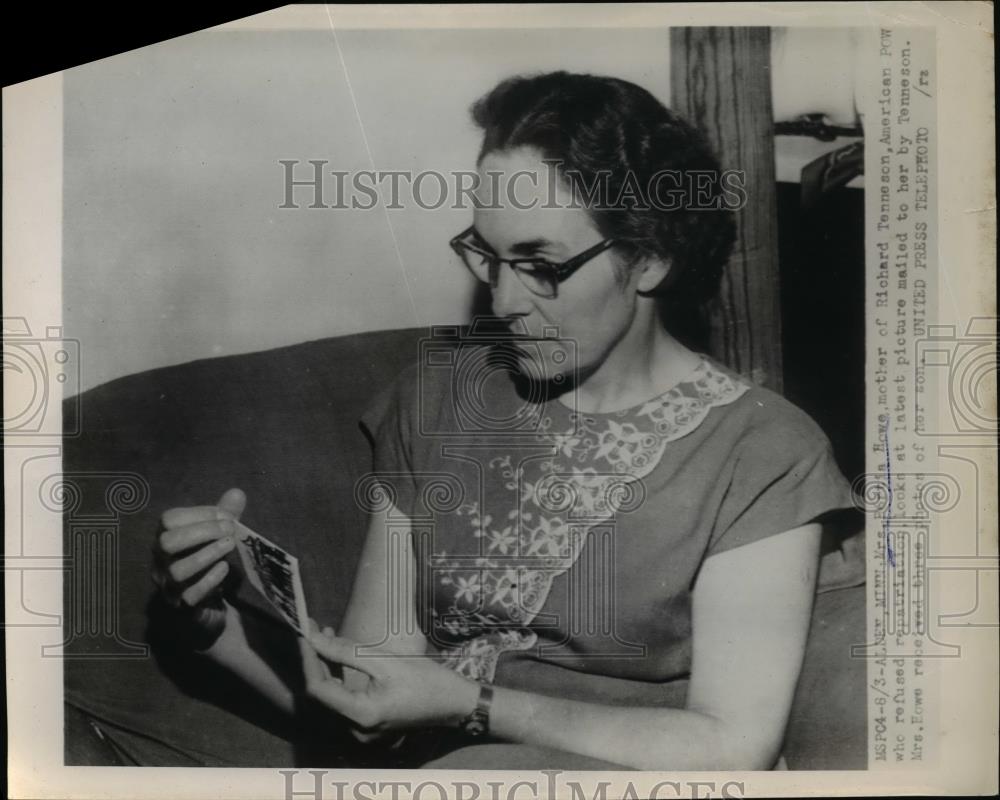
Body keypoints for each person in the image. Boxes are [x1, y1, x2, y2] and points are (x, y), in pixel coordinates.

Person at [152, 71, 856, 771]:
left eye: (540, 264)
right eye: (488, 257)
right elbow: (368, 699)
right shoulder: (438, 398)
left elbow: (733, 746)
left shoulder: (762, 451)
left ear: (648, 258)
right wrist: (215, 635)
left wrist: (472, 704)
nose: (504, 302)